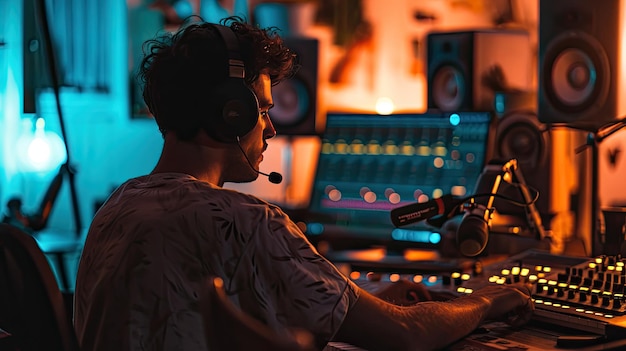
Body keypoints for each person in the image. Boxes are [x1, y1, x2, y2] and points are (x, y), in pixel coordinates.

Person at [73, 16, 534, 351]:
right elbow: (408, 335)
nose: (271, 129)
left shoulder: (116, 208)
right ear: (230, 111)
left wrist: (355, 300)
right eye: (262, 109)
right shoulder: (247, 224)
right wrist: (486, 301)